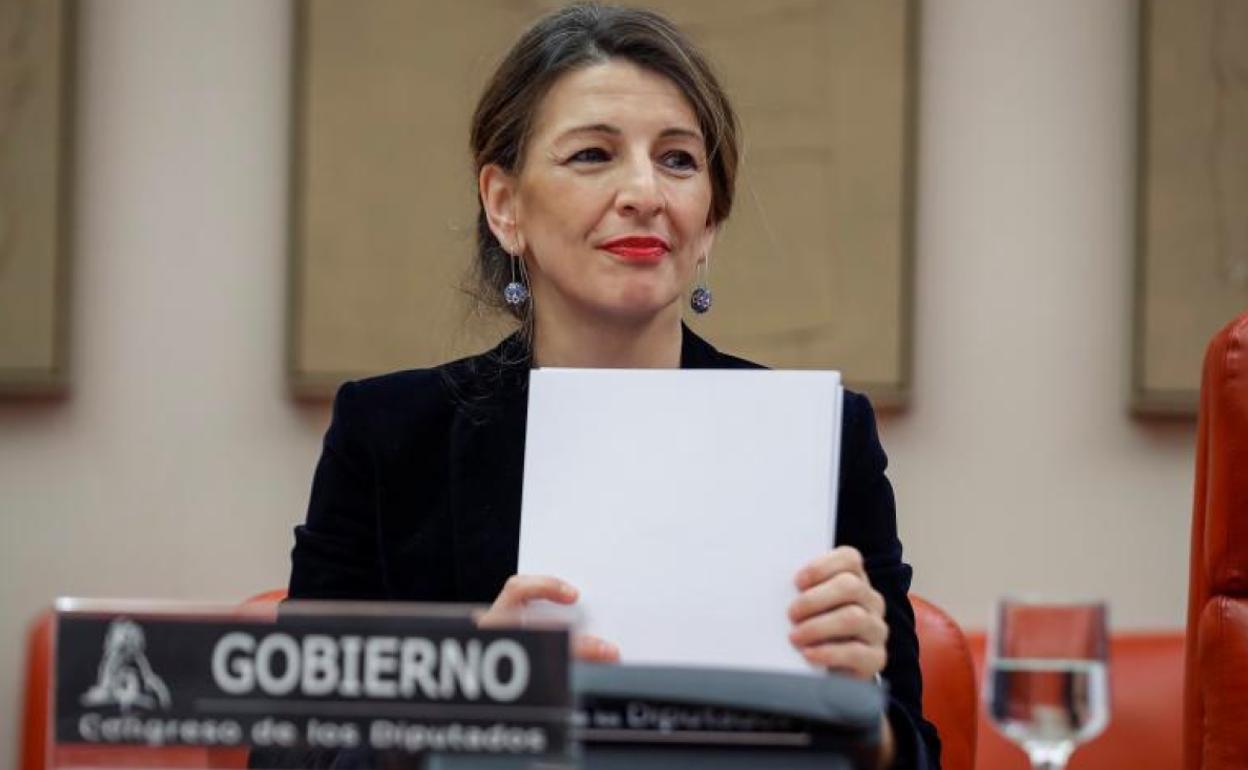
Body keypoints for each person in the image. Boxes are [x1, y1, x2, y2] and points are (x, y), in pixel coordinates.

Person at [285, 4, 940, 768]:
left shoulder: (821, 436)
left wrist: (862, 710)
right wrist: (463, 698)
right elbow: (292, 754)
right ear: (504, 204)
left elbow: (915, 751)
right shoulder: (387, 435)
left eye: (678, 160)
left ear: (710, 222)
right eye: (593, 154)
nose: (644, 192)